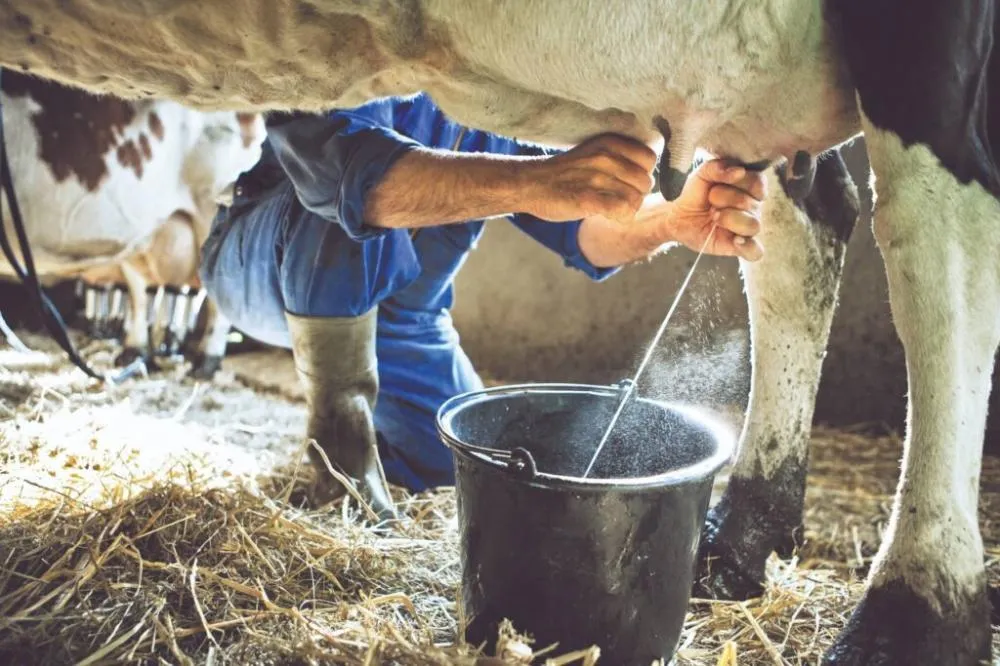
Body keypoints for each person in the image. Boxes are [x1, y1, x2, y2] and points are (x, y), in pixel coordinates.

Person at [199, 93, 766, 519]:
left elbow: (588, 232)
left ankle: (389, 447)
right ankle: (338, 454)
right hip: (261, 262)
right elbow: (344, 177)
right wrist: (541, 182)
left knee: (468, 466)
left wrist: (670, 220)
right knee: (347, 203)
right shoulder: (355, 35)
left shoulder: (495, 92)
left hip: (404, 324)